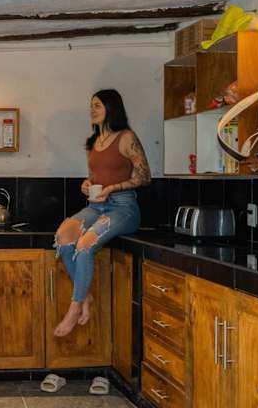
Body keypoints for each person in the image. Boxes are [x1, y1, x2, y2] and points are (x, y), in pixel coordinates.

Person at [53, 89, 150, 337]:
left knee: (85, 245)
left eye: (97, 105)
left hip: (123, 207)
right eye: (91, 106)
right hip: (96, 206)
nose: (92, 110)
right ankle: (85, 296)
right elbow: (95, 176)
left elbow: (144, 176)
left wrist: (113, 188)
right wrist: (87, 184)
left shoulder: (127, 137)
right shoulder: (92, 142)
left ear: (111, 108)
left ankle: (75, 308)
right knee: (63, 236)